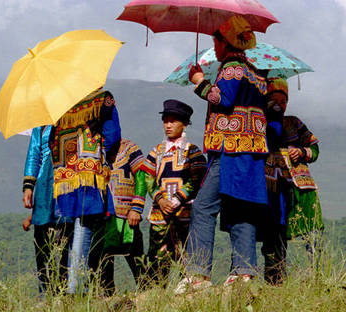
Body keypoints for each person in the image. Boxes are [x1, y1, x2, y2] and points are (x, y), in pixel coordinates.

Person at [180, 15, 269, 292]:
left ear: (224, 41)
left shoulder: (232, 66)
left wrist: (199, 81)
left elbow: (223, 98)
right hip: (251, 150)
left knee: (204, 207)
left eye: (215, 41)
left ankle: (198, 274)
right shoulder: (256, 71)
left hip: (230, 150)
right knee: (241, 209)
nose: (214, 48)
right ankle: (244, 273)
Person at [49, 89, 121, 294]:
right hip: (89, 172)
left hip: (65, 174)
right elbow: (113, 135)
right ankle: (75, 287)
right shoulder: (102, 98)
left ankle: (73, 282)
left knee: (72, 229)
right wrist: (107, 154)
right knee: (84, 226)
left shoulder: (60, 100)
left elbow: (50, 139)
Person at [261, 78, 324, 283]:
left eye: (283, 100)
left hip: (301, 189)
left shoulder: (295, 123)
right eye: (274, 100)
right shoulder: (258, 125)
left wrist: (302, 151)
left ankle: (317, 278)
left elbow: (314, 148)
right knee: (273, 237)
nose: (280, 104)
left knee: (313, 235)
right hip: (271, 188)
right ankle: (275, 281)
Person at [141, 100, 206, 286]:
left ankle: (186, 295)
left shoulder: (192, 151)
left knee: (186, 256)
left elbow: (196, 179)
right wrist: (160, 200)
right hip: (159, 214)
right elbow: (148, 179)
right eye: (165, 121)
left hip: (184, 214)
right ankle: (155, 295)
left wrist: (177, 200)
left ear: (184, 123)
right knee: (157, 257)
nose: (168, 125)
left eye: (173, 121)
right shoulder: (156, 152)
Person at [22, 125, 73, 294]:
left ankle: (65, 292)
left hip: (68, 188)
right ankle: (45, 293)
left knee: (68, 246)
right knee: (43, 248)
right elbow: (33, 155)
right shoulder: (40, 128)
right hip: (44, 190)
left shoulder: (73, 120)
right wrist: (28, 187)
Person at [98, 136, 148, 294]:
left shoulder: (129, 148)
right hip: (101, 215)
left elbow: (142, 176)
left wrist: (137, 207)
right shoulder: (93, 149)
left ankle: (149, 295)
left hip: (127, 214)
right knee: (103, 260)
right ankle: (107, 299)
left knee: (137, 258)